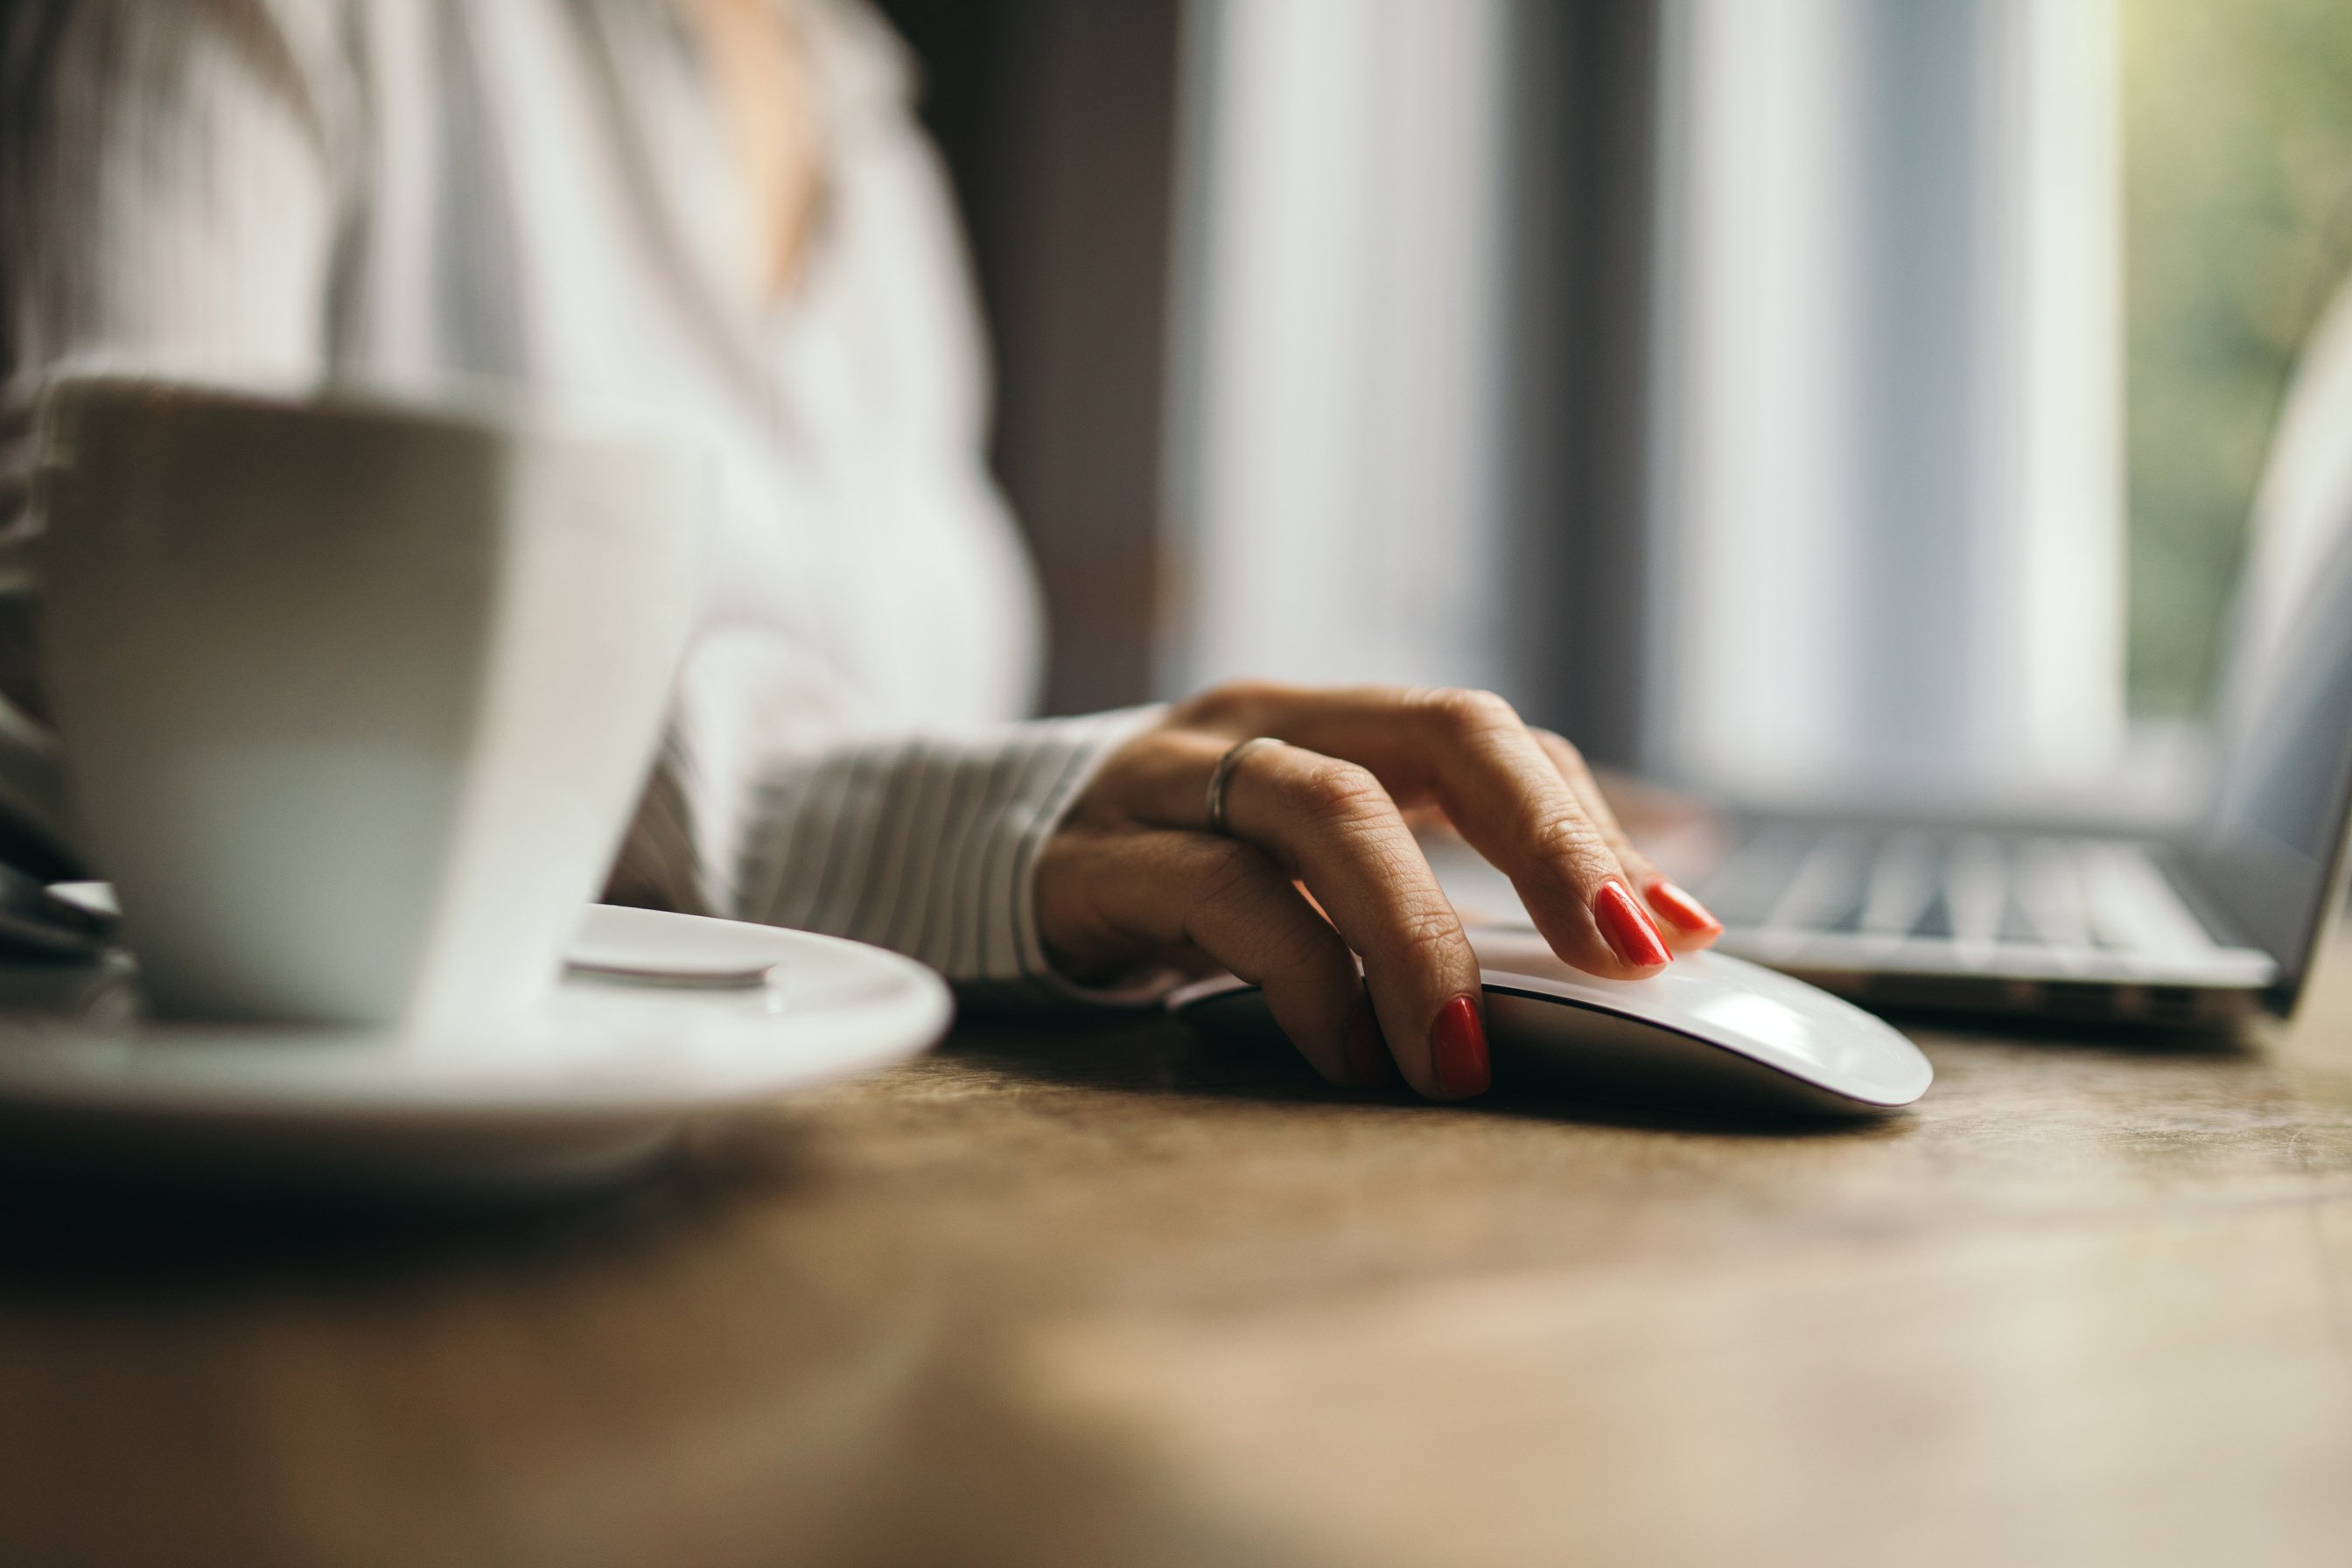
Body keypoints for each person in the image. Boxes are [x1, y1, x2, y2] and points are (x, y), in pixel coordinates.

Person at [0, 0, 1721, 1102]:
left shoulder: (869, 118)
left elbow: (898, 723)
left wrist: (1178, 802)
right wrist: (959, 823)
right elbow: (86, 583)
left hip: (843, 1169)